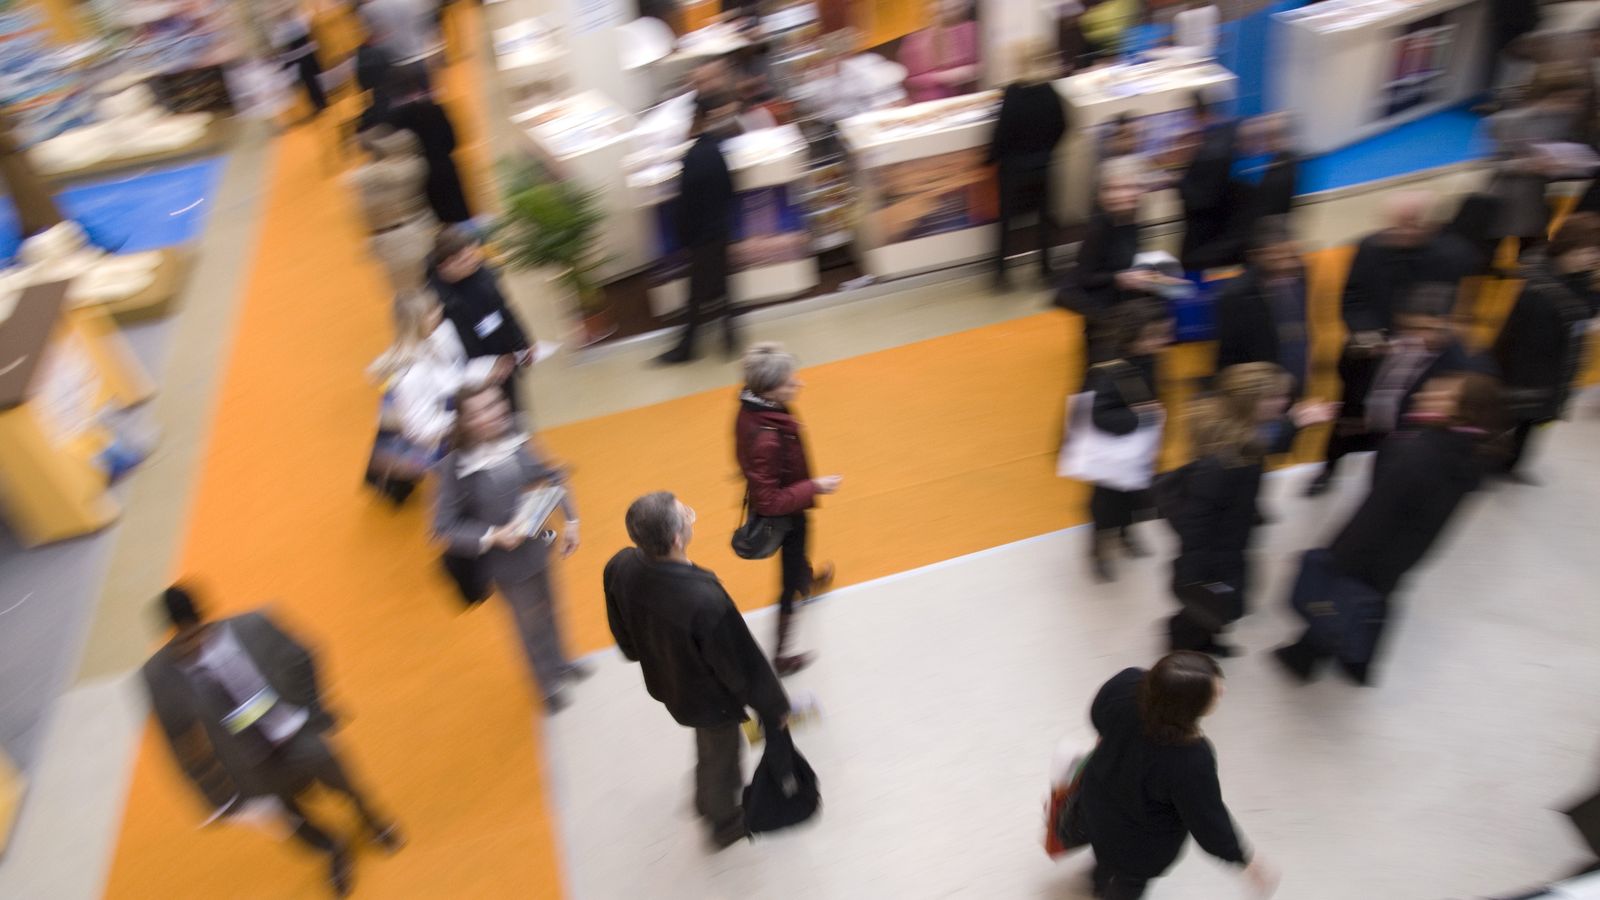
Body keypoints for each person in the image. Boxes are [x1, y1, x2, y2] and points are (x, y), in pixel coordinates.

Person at [142, 586, 403, 898]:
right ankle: (333, 849)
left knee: (344, 781)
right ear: (172, 633)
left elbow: (304, 656)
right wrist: (212, 796)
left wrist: (315, 710)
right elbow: (178, 740)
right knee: (291, 821)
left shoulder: (256, 625)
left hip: (293, 733)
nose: (194, 644)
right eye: (184, 640)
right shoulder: (160, 676)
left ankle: (371, 819)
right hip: (246, 764)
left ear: (206, 619)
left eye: (198, 633)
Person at [1273, 372, 1502, 685]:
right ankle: (1359, 662)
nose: (1429, 392)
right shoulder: (1470, 451)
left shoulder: (1421, 450)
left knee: (1339, 598)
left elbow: (1377, 512)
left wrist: (1339, 554)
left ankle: (1304, 658)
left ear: (1462, 409)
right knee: (1376, 599)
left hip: (1370, 546)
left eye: (1444, 393)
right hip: (1410, 548)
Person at [604, 492, 792, 850]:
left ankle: (706, 797)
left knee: (709, 745)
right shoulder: (704, 599)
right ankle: (722, 820)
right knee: (722, 752)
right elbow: (742, 664)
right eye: (686, 514)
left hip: (667, 682)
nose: (691, 514)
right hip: (709, 699)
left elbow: (625, 636)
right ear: (677, 538)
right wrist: (774, 707)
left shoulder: (621, 565)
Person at [433, 384, 590, 712]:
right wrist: (492, 535)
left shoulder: (517, 433)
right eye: (478, 412)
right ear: (464, 421)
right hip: (504, 565)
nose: (491, 415)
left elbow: (551, 474)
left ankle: (561, 663)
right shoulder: (455, 466)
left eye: (494, 405)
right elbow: (443, 527)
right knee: (527, 624)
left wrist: (571, 521)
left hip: (538, 547)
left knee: (552, 608)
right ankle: (545, 686)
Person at [1069, 653, 1275, 899]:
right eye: (1215, 692)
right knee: (1129, 882)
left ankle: (1098, 881)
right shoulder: (1190, 758)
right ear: (1188, 707)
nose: (1224, 691)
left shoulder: (1128, 683)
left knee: (1103, 850)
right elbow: (1207, 820)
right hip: (1140, 840)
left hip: (1095, 803)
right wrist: (1243, 859)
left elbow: (1097, 714)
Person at [1164, 365, 1334, 656]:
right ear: (1250, 403)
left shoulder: (1242, 434)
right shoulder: (1224, 461)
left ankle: (1207, 636)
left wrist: (1296, 423)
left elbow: (1265, 445)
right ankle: (1184, 644)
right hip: (1214, 553)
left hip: (1231, 539)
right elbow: (1196, 519)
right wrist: (1195, 571)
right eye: (1275, 397)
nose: (1284, 402)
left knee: (1224, 602)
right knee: (1209, 603)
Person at [1306, 195, 1457, 496]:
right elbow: (1352, 298)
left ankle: (1384, 477)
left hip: (1413, 360)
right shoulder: (1370, 248)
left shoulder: (1440, 254)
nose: (1406, 233)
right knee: (1350, 415)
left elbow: (1446, 300)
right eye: (1399, 226)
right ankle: (1329, 467)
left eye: (1412, 226)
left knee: (1400, 423)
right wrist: (1367, 332)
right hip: (1369, 355)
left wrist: (1425, 332)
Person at [734, 343, 841, 675]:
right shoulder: (767, 435)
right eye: (789, 380)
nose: (799, 383)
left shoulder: (753, 407)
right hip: (785, 510)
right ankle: (781, 656)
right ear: (769, 389)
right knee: (787, 575)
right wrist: (814, 486)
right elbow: (769, 501)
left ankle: (806, 582)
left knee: (798, 551)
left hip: (789, 500)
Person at [1493, 212, 1600, 482]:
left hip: (1557, 365)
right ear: (1567, 247)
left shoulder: (1584, 281)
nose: (1592, 257)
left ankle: (1512, 464)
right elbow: (1516, 336)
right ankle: (1488, 462)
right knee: (1509, 418)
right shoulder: (1539, 288)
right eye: (1587, 250)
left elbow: (1586, 313)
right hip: (1527, 367)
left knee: (1534, 422)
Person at [1081, 299, 1174, 583]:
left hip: (1138, 451)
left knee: (1135, 498)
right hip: (1111, 457)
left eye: (1165, 334)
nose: (1163, 342)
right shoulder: (1107, 370)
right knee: (1107, 507)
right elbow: (1098, 416)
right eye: (1155, 336)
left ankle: (1126, 533)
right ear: (1133, 336)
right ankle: (1099, 549)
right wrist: (1141, 418)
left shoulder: (1149, 359)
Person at [369, 289, 511, 455]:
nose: (440, 311)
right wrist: (470, 418)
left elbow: (454, 376)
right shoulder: (413, 373)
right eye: (431, 311)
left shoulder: (434, 343)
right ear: (416, 321)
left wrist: (488, 370)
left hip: (465, 438)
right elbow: (421, 429)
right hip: (451, 449)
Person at [657, 92, 740, 365]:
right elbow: (729, 190)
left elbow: (686, 204)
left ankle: (687, 348)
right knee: (722, 285)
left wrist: (684, 236)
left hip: (701, 235)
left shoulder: (692, 158)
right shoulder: (717, 151)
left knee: (696, 294)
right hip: (719, 229)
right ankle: (729, 338)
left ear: (696, 119)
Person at [1487, 62, 1590, 258]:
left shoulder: (1563, 125)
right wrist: (1529, 164)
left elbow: (1572, 160)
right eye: (1569, 99)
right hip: (1500, 203)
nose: (1573, 106)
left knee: (1530, 261)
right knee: (1486, 261)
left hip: (1534, 208)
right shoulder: (1506, 121)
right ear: (1550, 95)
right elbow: (1492, 164)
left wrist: (1567, 166)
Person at [428, 227, 534, 415]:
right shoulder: (436, 299)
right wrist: (489, 368)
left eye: (473, 254)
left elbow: (504, 310)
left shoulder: (483, 274)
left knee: (515, 414)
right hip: (475, 377)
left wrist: (522, 345)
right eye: (466, 260)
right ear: (446, 265)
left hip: (504, 362)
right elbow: (457, 344)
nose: (475, 261)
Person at [987, 42, 1068, 290]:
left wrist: (992, 158)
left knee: (1006, 222)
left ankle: (1002, 274)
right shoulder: (1049, 91)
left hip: (1013, 170)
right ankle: (1044, 270)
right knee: (1044, 220)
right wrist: (1047, 151)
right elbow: (1063, 124)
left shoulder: (1013, 93)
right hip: (1042, 167)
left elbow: (1002, 133)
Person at [1213, 216, 1309, 397]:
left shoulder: (1302, 277)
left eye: (1291, 255)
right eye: (1277, 257)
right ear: (1256, 256)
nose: (1287, 263)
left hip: (1297, 381)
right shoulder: (1236, 296)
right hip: (1259, 393)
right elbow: (1229, 357)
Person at [350, 127, 437, 296]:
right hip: (388, 240)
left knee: (422, 287)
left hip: (408, 234)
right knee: (403, 292)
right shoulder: (374, 175)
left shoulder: (409, 168)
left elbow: (394, 175)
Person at [385, 63, 472, 225]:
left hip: (416, 180)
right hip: (444, 169)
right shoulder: (434, 109)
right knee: (460, 219)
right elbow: (453, 141)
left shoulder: (393, 122)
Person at [1178, 91, 1241, 272]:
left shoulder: (1212, 149)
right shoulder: (1227, 135)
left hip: (1206, 238)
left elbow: (1200, 198)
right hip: (1220, 236)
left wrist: (1177, 182)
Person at [899, 0, 981, 105]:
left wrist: (972, 71)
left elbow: (987, 62)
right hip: (934, 103)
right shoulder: (916, 41)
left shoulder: (973, 29)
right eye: (940, 10)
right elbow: (909, 79)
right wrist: (943, 77)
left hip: (973, 98)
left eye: (956, 7)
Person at [270, 5, 328, 120]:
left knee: (309, 85)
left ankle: (319, 105)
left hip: (298, 63)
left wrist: (284, 66)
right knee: (313, 83)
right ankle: (321, 104)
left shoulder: (280, 31)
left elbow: (282, 49)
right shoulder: (301, 22)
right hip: (309, 57)